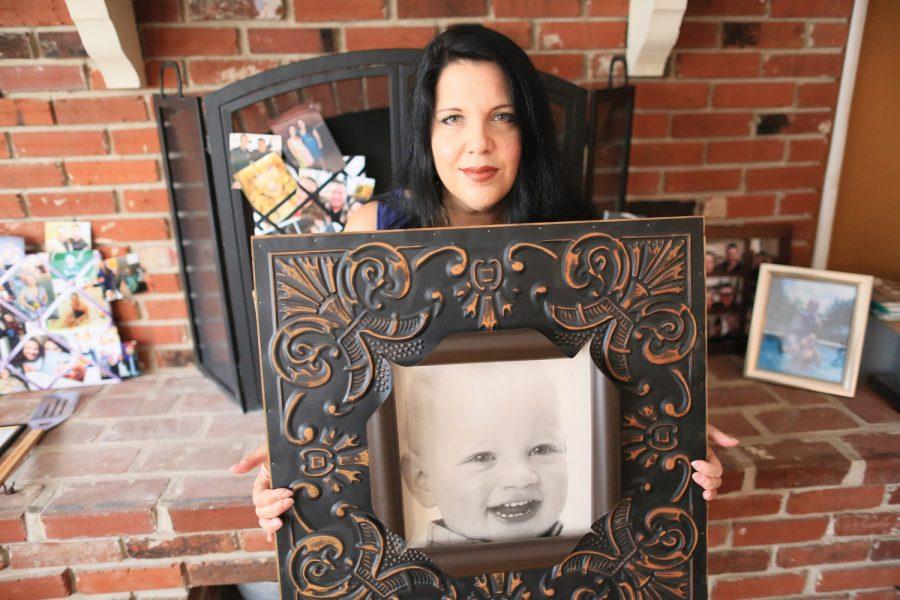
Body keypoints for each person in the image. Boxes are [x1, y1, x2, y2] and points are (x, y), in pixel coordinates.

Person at [230, 24, 738, 546]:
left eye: (502, 117)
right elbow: (342, 386)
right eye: (453, 118)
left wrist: (679, 423)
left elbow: (616, 380)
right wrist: (296, 449)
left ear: (529, 131)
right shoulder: (371, 233)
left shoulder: (585, 246)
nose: (479, 143)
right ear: (427, 133)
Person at [397, 363, 567, 546]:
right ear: (423, 482)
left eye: (541, 449)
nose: (521, 477)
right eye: (482, 457)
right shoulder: (418, 570)